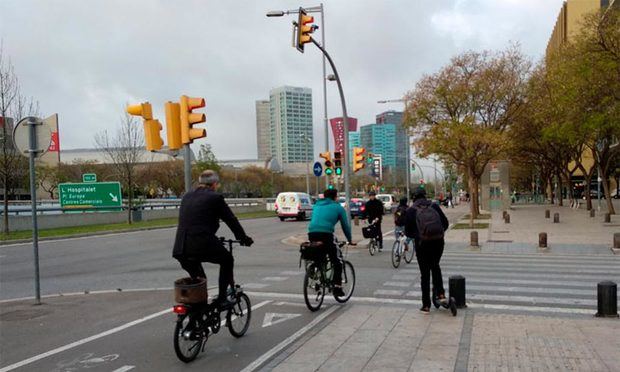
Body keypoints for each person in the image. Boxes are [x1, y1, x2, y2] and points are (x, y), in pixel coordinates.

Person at [172, 170, 254, 309]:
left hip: (180, 248)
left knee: (199, 280)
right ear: (215, 184)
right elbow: (231, 220)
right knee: (227, 260)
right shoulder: (215, 198)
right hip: (201, 243)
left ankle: (198, 312)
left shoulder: (187, 196)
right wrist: (243, 238)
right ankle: (222, 299)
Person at [405, 187, 449, 314]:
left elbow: (408, 232)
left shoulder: (411, 210)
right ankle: (441, 294)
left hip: (422, 244)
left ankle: (426, 305)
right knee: (435, 266)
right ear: (425, 195)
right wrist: (436, 234)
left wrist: (420, 235)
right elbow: (445, 223)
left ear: (414, 197)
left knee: (425, 274)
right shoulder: (434, 206)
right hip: (438, 242)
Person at [307, 188, 355, 296]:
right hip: (326, 234)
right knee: (337, 261)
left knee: (320, 255)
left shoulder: (316, 206)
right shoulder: (338, 208)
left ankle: (316, 269)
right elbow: (345, 226)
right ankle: (337, 287)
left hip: (312, 233)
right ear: (335, 197)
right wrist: (350, 239)